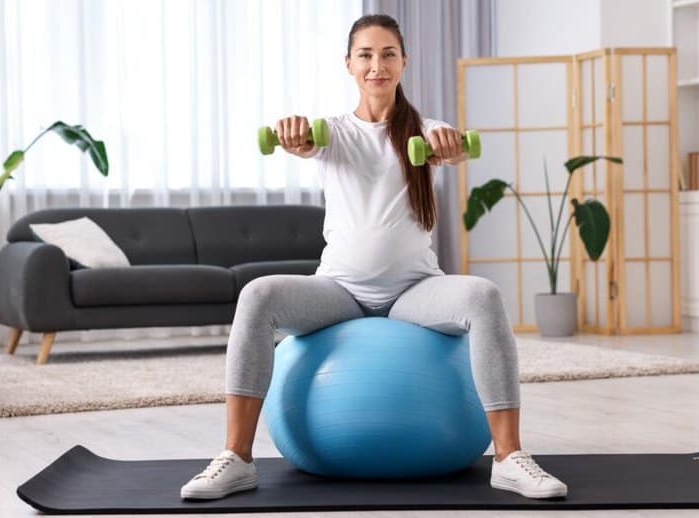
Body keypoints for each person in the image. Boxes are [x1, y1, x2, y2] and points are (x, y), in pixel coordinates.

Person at [180, 13, 567, 501]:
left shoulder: (427, 130)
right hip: (338, 291)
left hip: (415, 291)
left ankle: (510, 458)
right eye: (365, 55)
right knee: (258, 295)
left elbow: (450, 150)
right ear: (348, 64)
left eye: (387, 54)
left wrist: (449, 148)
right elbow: (302, 141)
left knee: (483, 296)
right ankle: (236, 458)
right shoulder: (330, 133)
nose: (376, 65)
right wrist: (291, 132)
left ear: (404, 61)